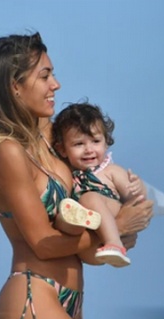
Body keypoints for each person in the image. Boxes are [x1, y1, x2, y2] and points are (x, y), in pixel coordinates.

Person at [0, 32, 153, 319]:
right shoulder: (7, 151)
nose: (56, 85)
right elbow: (43, 243)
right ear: (15, 86)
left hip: (68, 299)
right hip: (33, 298)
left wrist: (123, 211)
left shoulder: (57, 141)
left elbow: (98, 187)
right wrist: (117, 228)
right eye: (45, 75)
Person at [52, 102, 147, 268]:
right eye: (79, 144)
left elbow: (138, 201)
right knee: (62, 216)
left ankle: (114, 244)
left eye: (95, 141)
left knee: (89, 198)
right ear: (62, 150)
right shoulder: (67, 175)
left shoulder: (110, 171)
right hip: (90, 249)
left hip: (112, 216)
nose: (89, 149)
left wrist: (138, 188)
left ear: (106, 143)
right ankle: (77, 221)